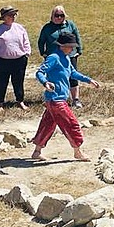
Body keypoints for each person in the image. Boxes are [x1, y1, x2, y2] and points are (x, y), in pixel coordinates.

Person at [31, 31, 100, 161]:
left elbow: (73, 73)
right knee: (71, 123)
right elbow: (40, 72)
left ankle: (37, 151)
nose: (72, 48)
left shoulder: (66, 58)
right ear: (62, 45)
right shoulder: (54, 57)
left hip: (58, 99)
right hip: (55, 99)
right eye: (70, 46)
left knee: (48, 124)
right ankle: (77, 151)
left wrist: (88, 80)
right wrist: (45, 82)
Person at [38, 5, 85, 108]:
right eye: (56, 15)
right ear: (52, 16)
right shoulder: (47, 28)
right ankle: (54, 98)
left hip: (70, 55)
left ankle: (75, 99)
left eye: (61, 15)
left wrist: (79, 51)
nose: (59, 18)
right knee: (55, 77)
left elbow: (77, 37)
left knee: (73, 77)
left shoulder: (70, 25)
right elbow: (41, 41)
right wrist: (43, 53)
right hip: (53, 56)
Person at [0, 6, 31, 110]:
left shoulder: (20, 28)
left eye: (14, 14)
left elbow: (26, 41)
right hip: (3, 61)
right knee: (2, 82)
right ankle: (0, 103)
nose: (13, 17)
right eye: (10, 15)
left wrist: (27, 53)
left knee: (19, 81)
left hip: (19, 60)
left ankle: (20, 101)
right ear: (4, 17)